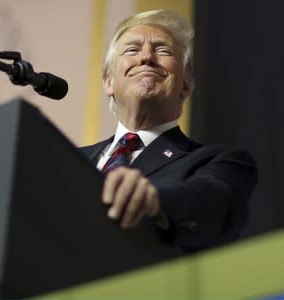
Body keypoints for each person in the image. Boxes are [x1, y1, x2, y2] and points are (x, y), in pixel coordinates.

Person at [81, 9, 257, 253]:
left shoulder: (220, 162)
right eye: (132, 50)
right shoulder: (71, 159)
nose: (146, 58)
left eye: (162, 50)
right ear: (108, 82)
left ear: (185, 86)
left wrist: (154, 201)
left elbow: (211, 204)